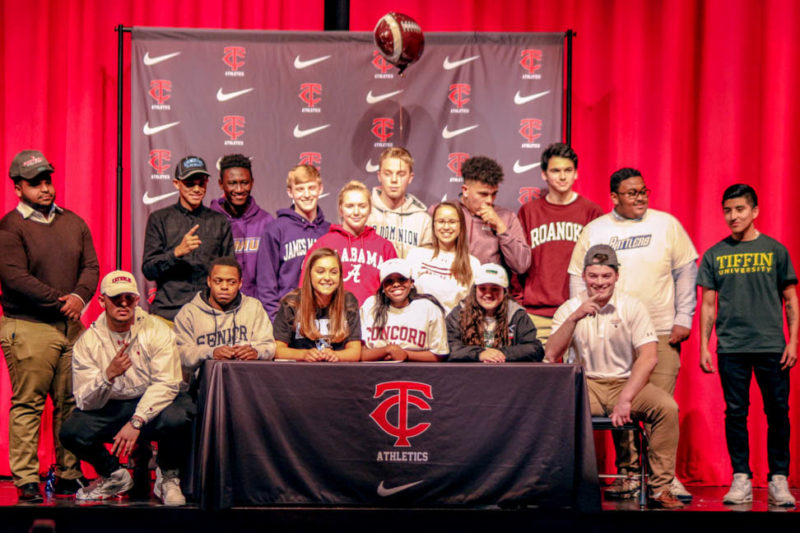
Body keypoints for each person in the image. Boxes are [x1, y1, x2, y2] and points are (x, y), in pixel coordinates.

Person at [567, 167, 697, 501]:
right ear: (614, 196)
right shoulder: (596, 229)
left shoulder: (667, 225)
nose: (640, 197)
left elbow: (685, 272)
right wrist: (579, 319)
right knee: (617, 400)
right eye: (631, 192)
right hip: (612, 329)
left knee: (655, 405)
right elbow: (576, 278)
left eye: (643, 191)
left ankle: (661, 480)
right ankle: (628, 474)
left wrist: (684, 316)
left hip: (661, 330)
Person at [546, 245, 684, 509]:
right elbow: (552, 354)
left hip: (626, 383)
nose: (600, 282)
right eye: (594, 276)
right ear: (584, 276)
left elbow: (648, 357)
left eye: (606, 276)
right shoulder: (569, 309)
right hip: (585, 384)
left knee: (667, 408)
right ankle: (559, 485)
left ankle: (660, 488)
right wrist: (574, 318)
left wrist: (626, 398)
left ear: (617, 276)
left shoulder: (632, 307)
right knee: (554, 409)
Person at [0, 150, 99, 502]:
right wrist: (64, 301)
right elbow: (14, 278)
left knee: (71, 403)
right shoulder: (10, 227)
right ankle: (26, 478)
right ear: (18, 188)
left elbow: (91, 267)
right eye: (35, 183)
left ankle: (69, 474)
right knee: (29, 403)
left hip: (71, 326)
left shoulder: (73, 222)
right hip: (29, 326)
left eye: (48, 180)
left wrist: (80, 298)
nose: (45, 188)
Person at [697, 184, 797, 507]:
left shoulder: (776, 251)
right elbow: (708, 305)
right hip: (731, 349)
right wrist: (703, 346)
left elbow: (791, 300)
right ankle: (741, 476)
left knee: (778, 412)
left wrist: (793, 341)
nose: (733, 216)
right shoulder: (714, 254)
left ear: (754, 211)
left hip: (772, 346)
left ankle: (778, 479)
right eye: (727, 210)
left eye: (740, 209)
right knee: (736, 413)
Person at [59, 271, 193, 505]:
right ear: (102, 301)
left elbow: (167, 383)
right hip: (112, 405)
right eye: (115, 298)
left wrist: (136, 421)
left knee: (182, 415)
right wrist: (107, 376)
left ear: (137, 300)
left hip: (152, 405)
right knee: (72, 431)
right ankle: (114, 475)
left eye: (129, 298)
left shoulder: (157, 330)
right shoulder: (88, 341)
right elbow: (84, 400)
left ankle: (169, 476)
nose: (123, 303)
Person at [516, 143, 602, 344]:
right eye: (555, 170)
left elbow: (602, 263)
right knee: (539, 374)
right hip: (537, 314)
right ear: (544, 174)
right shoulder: (529, 212)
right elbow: (516, 262)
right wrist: (520, 302)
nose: (562, 177)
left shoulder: (591, 212)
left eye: (567, 170)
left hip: (581, 309)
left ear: (576, 174)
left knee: (582, 374)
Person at [142, 155, 233, 322]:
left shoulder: (219, 221)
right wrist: (176, 252)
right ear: (176, 184)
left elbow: (229, 269)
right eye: (190, 183)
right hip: (168, 316)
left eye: (201, 183)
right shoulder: (159, 219)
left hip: (209, 316)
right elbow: (148, 270)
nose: (197, 189)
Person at [175, 256, 276, 388]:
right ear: (209, 281)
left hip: (247, 384)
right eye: (218, 281)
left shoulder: (253, 307)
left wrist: (256, 352)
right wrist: (211, 353)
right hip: (204, 387)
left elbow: (269, 345)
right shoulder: (189, 313)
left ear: (240, 283)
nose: (224, 287)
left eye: (231, 282)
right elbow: (181, 354)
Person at [256, 164, 331, 320]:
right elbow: (266, 284)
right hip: (288, 317)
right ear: (290, 192)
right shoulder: (275, 230)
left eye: (311, 188)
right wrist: (276, 320)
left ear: (320, 189)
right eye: (300, 189)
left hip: (324, 317)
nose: (306, 195)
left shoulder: (329, 231)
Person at [305, 180, 397, 305]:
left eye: (362, 206)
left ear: (370, 209)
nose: (356, 212)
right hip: (332, 319)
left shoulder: (385, 247)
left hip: (373, 320)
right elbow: (305, 288)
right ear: (341, 210)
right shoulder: (323, 244)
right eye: (350, 206)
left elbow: (395, 291)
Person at [273, 247, 361, 361]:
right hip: (300, 373)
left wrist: (337, 356)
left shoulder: (348, 301)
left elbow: (355, 352)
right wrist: (304, 355)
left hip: (337, 373)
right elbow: (277, 350)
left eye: (333, 272)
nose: (327, 277)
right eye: (320, 271)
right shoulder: (292, 303)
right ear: (309, 274)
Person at [446, 263, 543, 363]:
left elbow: (534, 349)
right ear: (475, 290)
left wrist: (500, 354)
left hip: (506, 374)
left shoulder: (517, 314)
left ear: (504, 292)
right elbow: (448, 348)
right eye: (482, 288)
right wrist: (479, 354)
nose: (488, 294)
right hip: (468, 375)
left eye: (495, 289)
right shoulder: (459, 313)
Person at [360, 258, 449, 361]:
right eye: (389, 281)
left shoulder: (429, 308)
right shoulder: (370, 305)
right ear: (383, 287)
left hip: (416, 372)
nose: (396, 284)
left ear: (411, 282)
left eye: (402, 279)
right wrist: (388, 350)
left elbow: (440, 354)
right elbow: (361, 354)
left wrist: (406, 354)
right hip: (376, 371)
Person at [209, 154, 273, 298]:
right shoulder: (209, 221)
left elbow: (272, 274)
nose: (239, 189)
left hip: (256, 308)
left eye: (244, 182)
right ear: (221, 184)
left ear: (252, 182)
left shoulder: (266, 221)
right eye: (232, 183)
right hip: (219, 308)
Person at [457, 156, 529, 275]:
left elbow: (522, 265)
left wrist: (500, 227)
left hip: (490, 290)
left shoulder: (506, 217)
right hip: (453, 291)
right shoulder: (444, 212)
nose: (490, 200)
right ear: (465, 190)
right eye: (483, 194)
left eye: (494, 194)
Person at [407, 201, 481, 314]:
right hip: (419, 325)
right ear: (434, 225)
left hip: (453, 329)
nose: (446, 227)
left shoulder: (473, 264)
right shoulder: (416, 256)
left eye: (452, 222)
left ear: (461, 225)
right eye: (441, 221)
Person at [366, 147, 433, 258]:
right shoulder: (364, 213)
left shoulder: (423, 221)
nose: (394, 180)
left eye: (401, 174)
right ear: (379, 176)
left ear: (410, 178)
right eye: (388, 174)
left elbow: (426, 265)